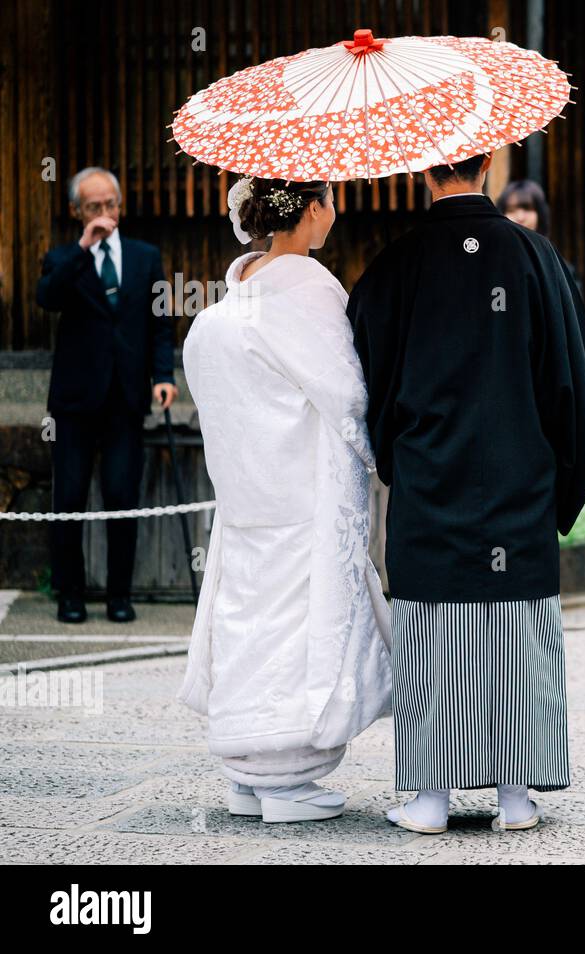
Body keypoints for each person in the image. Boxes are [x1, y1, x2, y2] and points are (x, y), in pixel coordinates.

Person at [349, 153, 585, 835]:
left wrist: (395, 451)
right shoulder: (535, 256)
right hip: (520, 482)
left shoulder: (395, 265)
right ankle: (517, 797)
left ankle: (430, 799)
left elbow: (367, 383)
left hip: (429, 483)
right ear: (490, 162)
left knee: (432, 636)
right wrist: (559, 476)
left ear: (419, 171)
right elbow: (574, 384)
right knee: (516, 635)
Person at [177, 177, 392, 823]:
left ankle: (246, 776)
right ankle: (286, 780)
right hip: (303, 500)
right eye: (330, 199)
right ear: (313, 209)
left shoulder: (221, 313)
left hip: (247, 503)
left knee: (247, 619)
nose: (336, 211)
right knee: (301, 627)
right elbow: (350, 398)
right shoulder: (310, 292)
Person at [36, 167, 177, 624]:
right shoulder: (62, 258)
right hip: (74, 403)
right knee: (69, 500)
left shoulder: (144, 256)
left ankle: (120, 595)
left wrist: (163, 375)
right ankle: (70, 596)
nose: (103, 214)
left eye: (109, 205)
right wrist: (83, 248)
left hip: (125, 399)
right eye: (93, 207)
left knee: (122, 496)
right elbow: (48, 298)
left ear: (120, 206)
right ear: (77, 211)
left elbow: (160, 323)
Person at [496, 178, 581, 291]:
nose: (520, 217)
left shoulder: (558, 268)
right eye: (511, 210)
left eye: (527, 208)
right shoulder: (491, 261)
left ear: (540, 214)